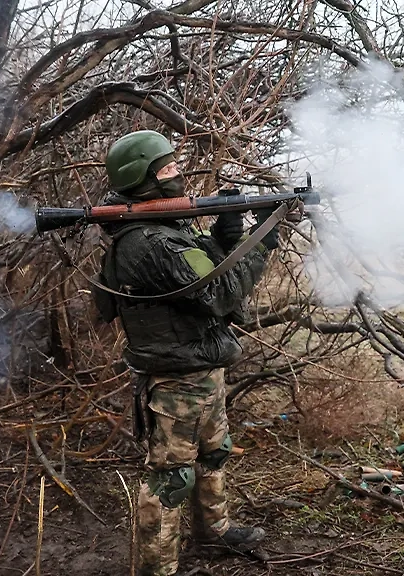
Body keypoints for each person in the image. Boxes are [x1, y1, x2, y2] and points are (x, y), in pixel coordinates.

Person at [90, 130, 277, 576]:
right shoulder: (151, 242)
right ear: (145, 180)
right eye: (167, 167)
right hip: (178, 379)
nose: (178, 173)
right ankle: (158, 567)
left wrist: (225, 234)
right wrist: (264, 239)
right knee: (170, 477)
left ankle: (214, 530)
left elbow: (202, 272)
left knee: (213, 453)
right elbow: (221, 294)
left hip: (198, 367)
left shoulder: (164, 229)